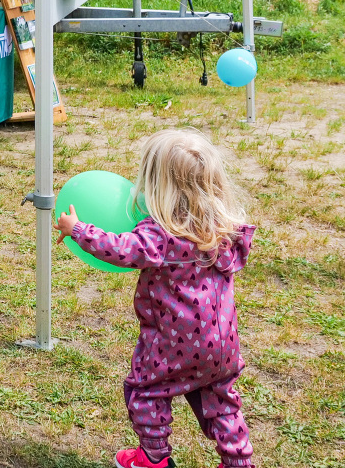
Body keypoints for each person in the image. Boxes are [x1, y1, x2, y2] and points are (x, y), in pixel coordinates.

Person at [58, 128, 257, 468]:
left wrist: (77, 229)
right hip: (221, 346)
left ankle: (152, 458)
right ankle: (238, 462)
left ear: (155, 184)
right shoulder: (225, 228)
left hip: (171, 344)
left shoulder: (159, 235)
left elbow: (119, 250)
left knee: (147, 392)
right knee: (222, 403)